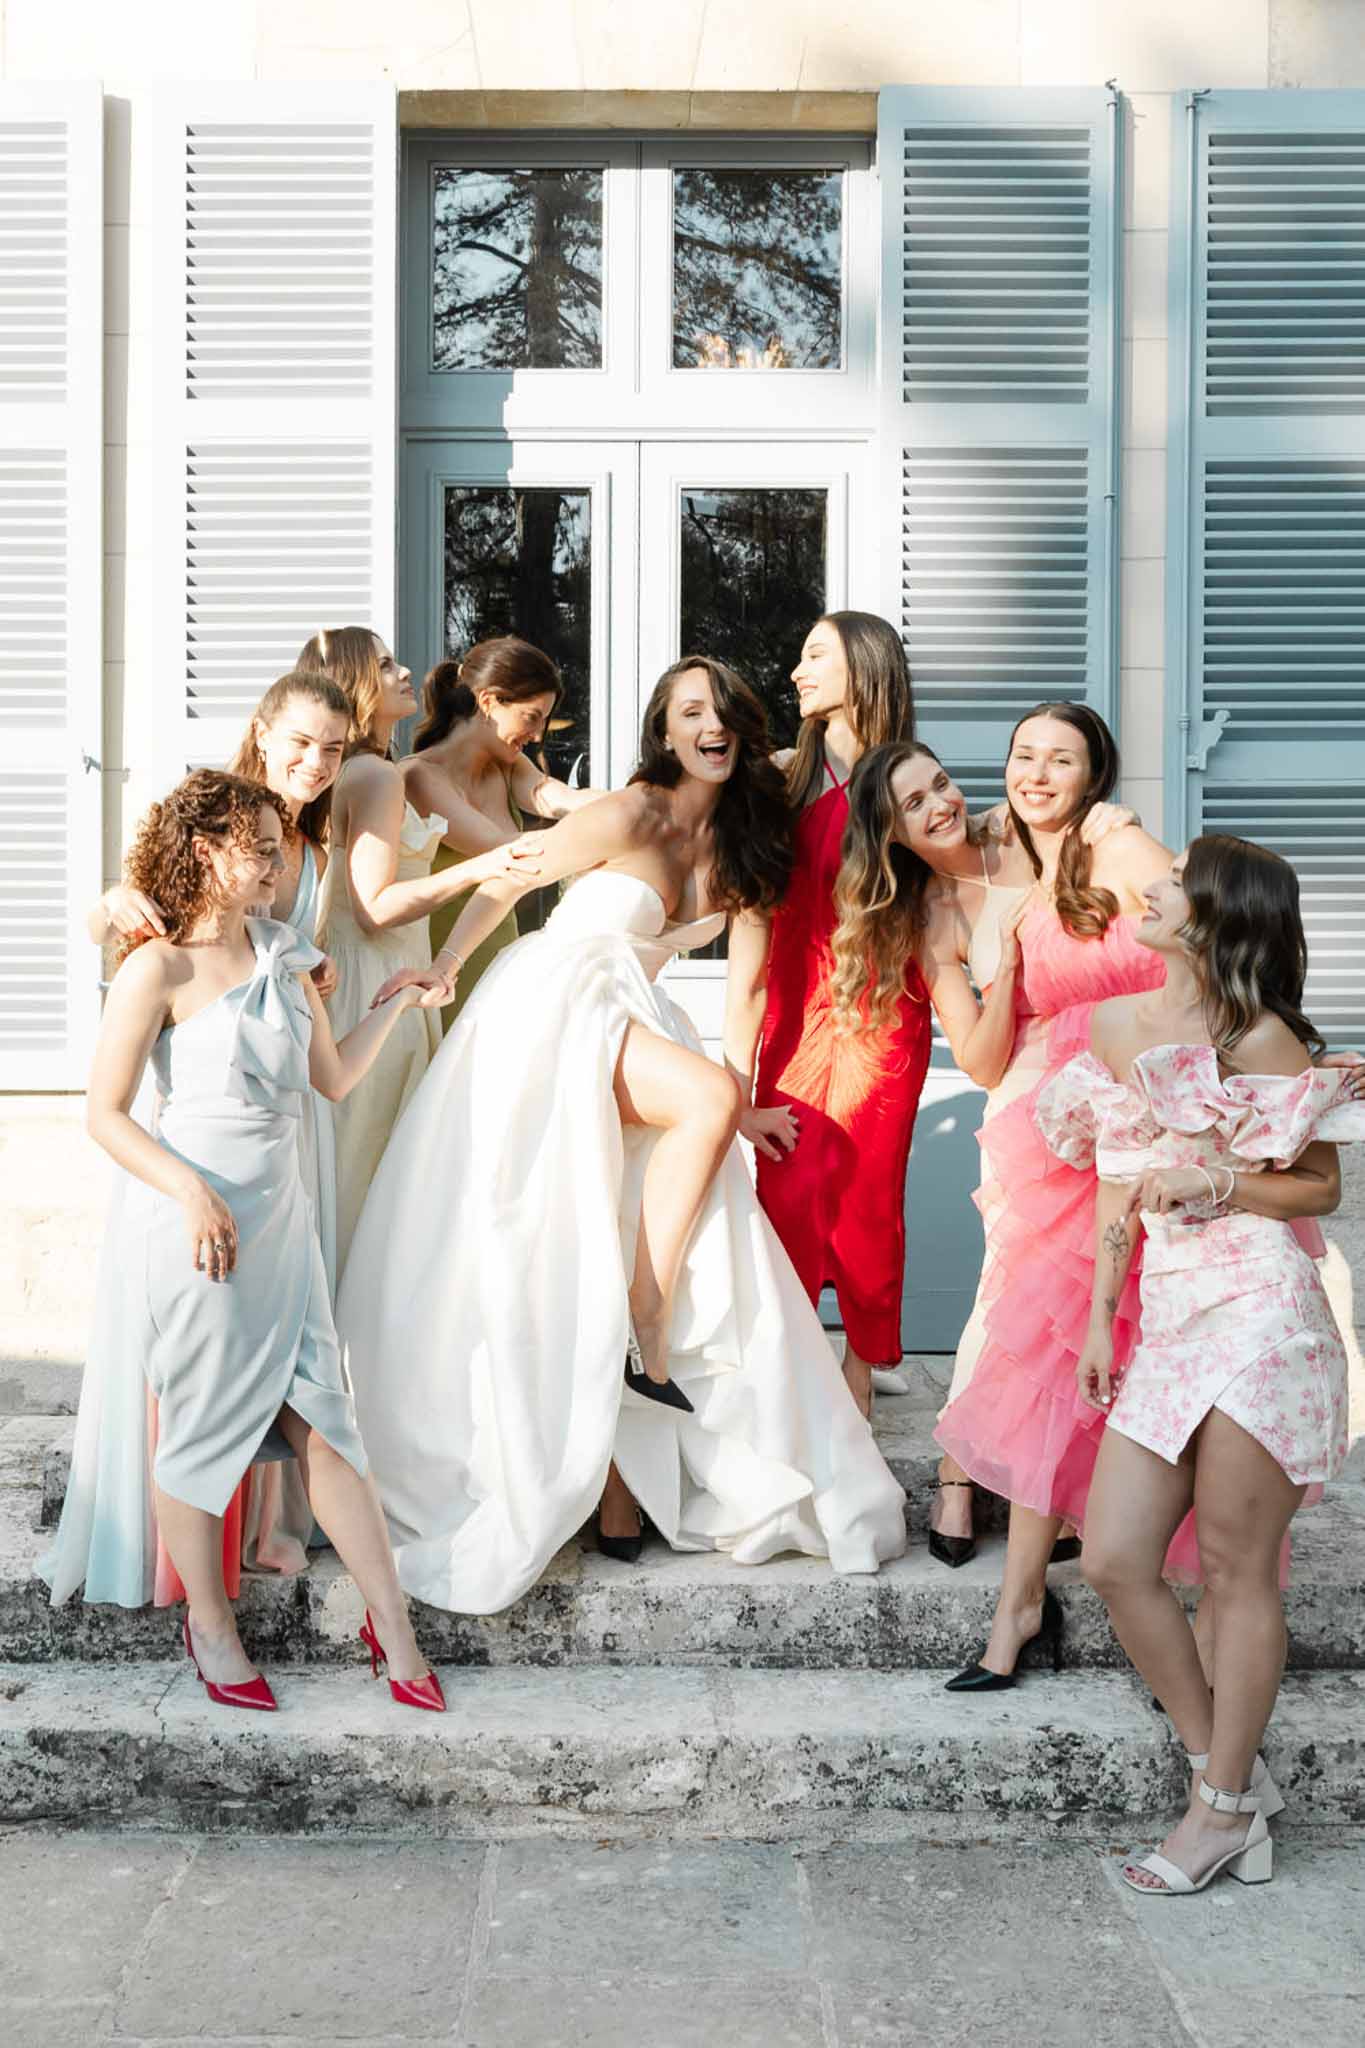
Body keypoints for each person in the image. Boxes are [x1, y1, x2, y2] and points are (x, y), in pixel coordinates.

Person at [336, 656, 908, 1614]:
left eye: (723, 708)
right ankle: (643, 1317)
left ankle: (617, 1488)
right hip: (556, 1001)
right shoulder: (627, 813)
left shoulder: (742, 849)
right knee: (681, 1132)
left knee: (631, 1199)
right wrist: (441, 969)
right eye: (690, 711)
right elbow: (513, 878)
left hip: (638, 1019)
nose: (710, 724)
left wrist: (744, 1094)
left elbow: (747, 993)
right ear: (664, 729)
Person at [41, 770, 444, 1711]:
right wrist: (189, 1194)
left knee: (327, 1428)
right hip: (196, 1232)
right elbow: (104, 1116)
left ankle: (394, 1628)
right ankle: (211, 1626)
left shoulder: (287, 953)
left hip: (283, 1225)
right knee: (202, 1429)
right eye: (259, 844)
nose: (276, 859)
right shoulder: (157, 968)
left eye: (276, 842)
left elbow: (333, 1081)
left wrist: (395, 998)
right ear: (208, 851)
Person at [1043, 836, 1363, 1893]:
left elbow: (1318, 1188)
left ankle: (1217, 1812)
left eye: (1175, 882)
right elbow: (1114, 1183)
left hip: (1265, 1311)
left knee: (1235, 1566)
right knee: (1114, 1556)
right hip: (1171, 1317)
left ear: (1218, 915)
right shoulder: (1115, 1026)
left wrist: (1221, 1176)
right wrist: (1100, 1319)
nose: (1152, 887)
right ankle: (1221, 1768)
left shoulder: (1264, 1038)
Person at [73, 669, 353, 1593]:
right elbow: (133, 921)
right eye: (302, 743)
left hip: (287, 1110)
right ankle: (193, 1561)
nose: (317, 762)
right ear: (264, 734)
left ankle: (275, 1523)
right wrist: (111, 907)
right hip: (199, 1123)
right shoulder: (219, 827)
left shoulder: (316, 838)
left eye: (335, 749)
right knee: (208, 1344)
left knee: (297, 1344)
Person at [933, 703, 1175, 1686]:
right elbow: (990, 1060)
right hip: (1060, 1138)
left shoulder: (1114, 845)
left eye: (1061, 757)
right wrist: (977, 972)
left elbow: (1215, 935)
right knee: (1047, 1353)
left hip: (1156, 1116)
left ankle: (1144, 1590)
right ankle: (1020, 1600)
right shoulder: (999, 883)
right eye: (1025, 754)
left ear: (1094, 773)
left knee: (1147, 1351)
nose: (1037, 771)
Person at [296, 626, 536, 1274]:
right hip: (379, 987)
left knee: (352, 1183)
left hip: (358, 988)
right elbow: (374, 908)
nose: (405, 672)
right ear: (354, 685)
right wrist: (476, 870)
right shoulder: (375, 775)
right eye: (383, 664)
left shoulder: (355, 771)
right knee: (373, 1192)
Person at [750, 612, 929, 1419]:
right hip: (790, 1016)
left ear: (863, 667)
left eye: (813, 654)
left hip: (882, 1017)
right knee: (784, 1193)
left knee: (864, 1199)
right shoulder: (782, 775)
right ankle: (788, 1376)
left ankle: (856, 1383)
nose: (795, 671)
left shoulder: (911, 780)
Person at [408, 637, 601, 1029]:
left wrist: (642, 804)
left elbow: (558, 799)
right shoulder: (418, 776)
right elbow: (501, 850)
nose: (538, 734)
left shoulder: (509, 765)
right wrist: (602, 839)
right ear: (489, 702)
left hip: (502, 964)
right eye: (532, 716)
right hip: (441, 970)